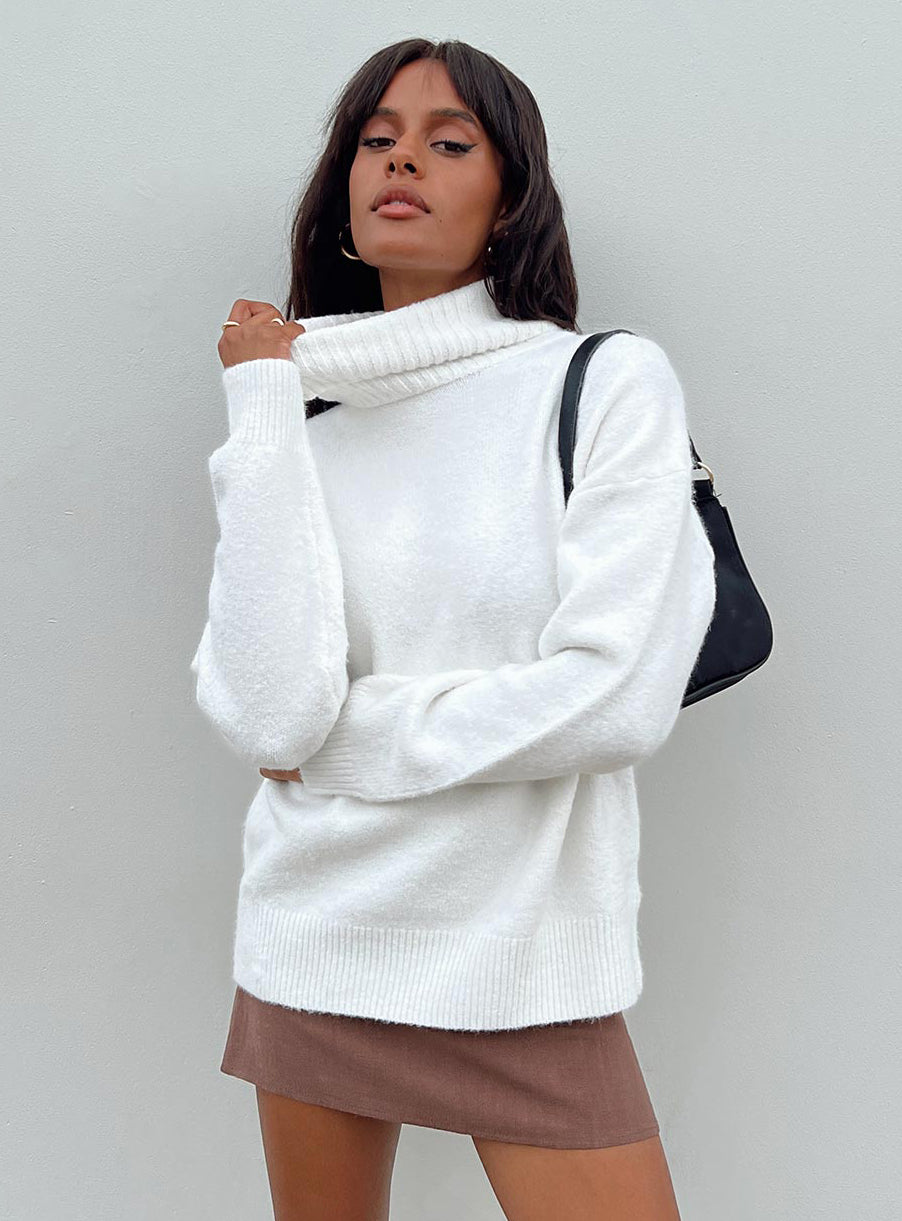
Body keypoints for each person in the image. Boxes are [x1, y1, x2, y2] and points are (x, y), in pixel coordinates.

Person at [191, 36, 716, 1221]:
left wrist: (342, 742)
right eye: (375, 140)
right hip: (315, 931)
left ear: (510, 197)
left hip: (523, 953)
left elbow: (615, 697)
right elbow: (269, 716)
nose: (402, 162)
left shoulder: (603, 382)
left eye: (447, 141)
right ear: (340, 192)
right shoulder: (300, 428)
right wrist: (262, 399)